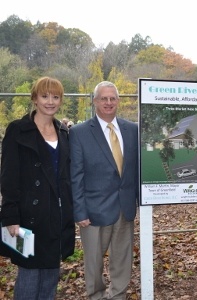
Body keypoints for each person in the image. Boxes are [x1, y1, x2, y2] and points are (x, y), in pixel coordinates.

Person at [0, 76, 75, 299]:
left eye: (55, 97)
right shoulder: (18, 130)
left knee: (51, 274)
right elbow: (8, 177)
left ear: (61, 100)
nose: (50, 101)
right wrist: (10, 217)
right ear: (34, 99)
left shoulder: (63, 133)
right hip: (28, 217)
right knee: (30, 275)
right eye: (44, 96)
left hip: (57, 215)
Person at [70, 81, 138, 300]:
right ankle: (96, 296)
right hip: (93, 211)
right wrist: (79, 211)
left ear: (118, 101)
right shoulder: (79, 133)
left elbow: (136, 169)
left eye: (113, 98)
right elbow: (76, 174)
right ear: (95, 101)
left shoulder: (132, 130)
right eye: (103, 98)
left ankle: (118, 295)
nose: (108, 103)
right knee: (93, 263)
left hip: (124, 208)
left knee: (122, 260)